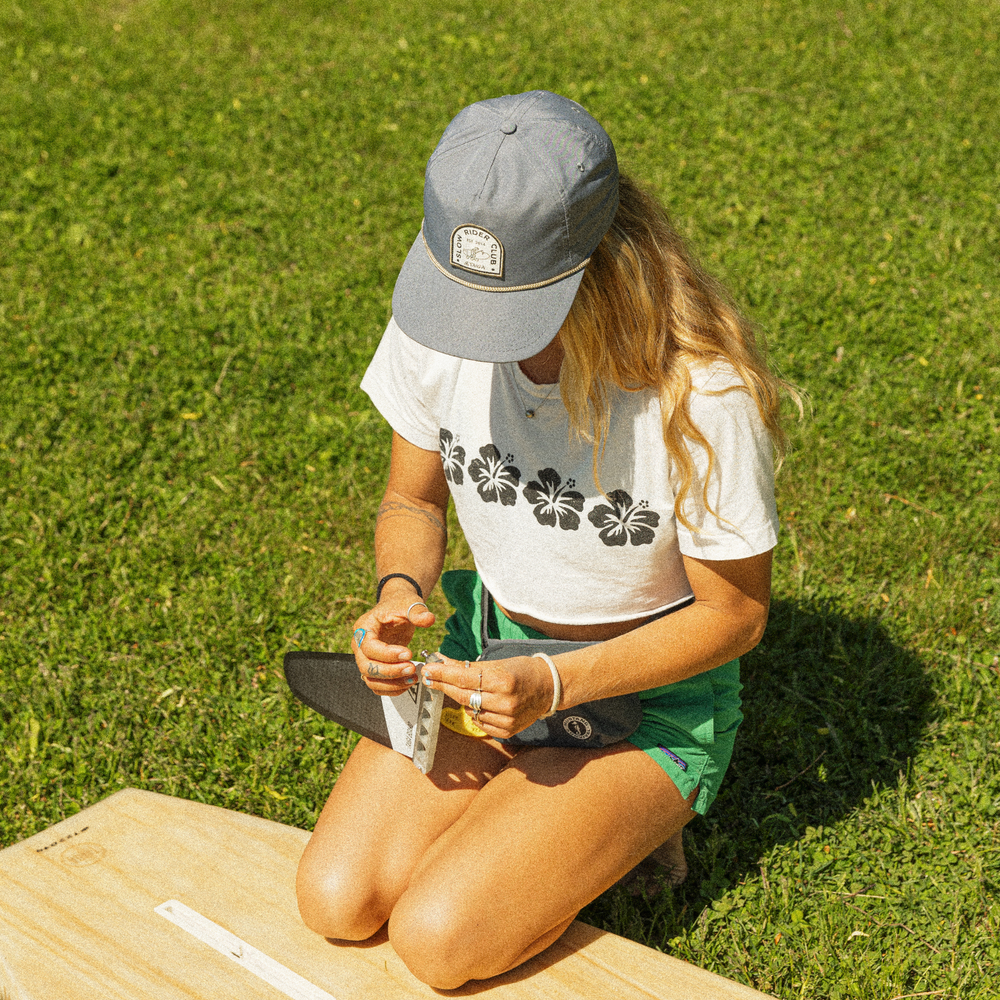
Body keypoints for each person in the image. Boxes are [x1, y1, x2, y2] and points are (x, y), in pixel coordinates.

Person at [295, 90, 785, 989]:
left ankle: (637, 810)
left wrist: (559, 683)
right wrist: (402, 592)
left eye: (515, 310)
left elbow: (735, 616)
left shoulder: (701, 395)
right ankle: (556, 814)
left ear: (607, 263)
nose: (483, 338)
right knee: (337, 899)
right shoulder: (438, 323)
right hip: (488, 665)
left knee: (439, 942)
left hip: (651, 702)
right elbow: (413, 502)